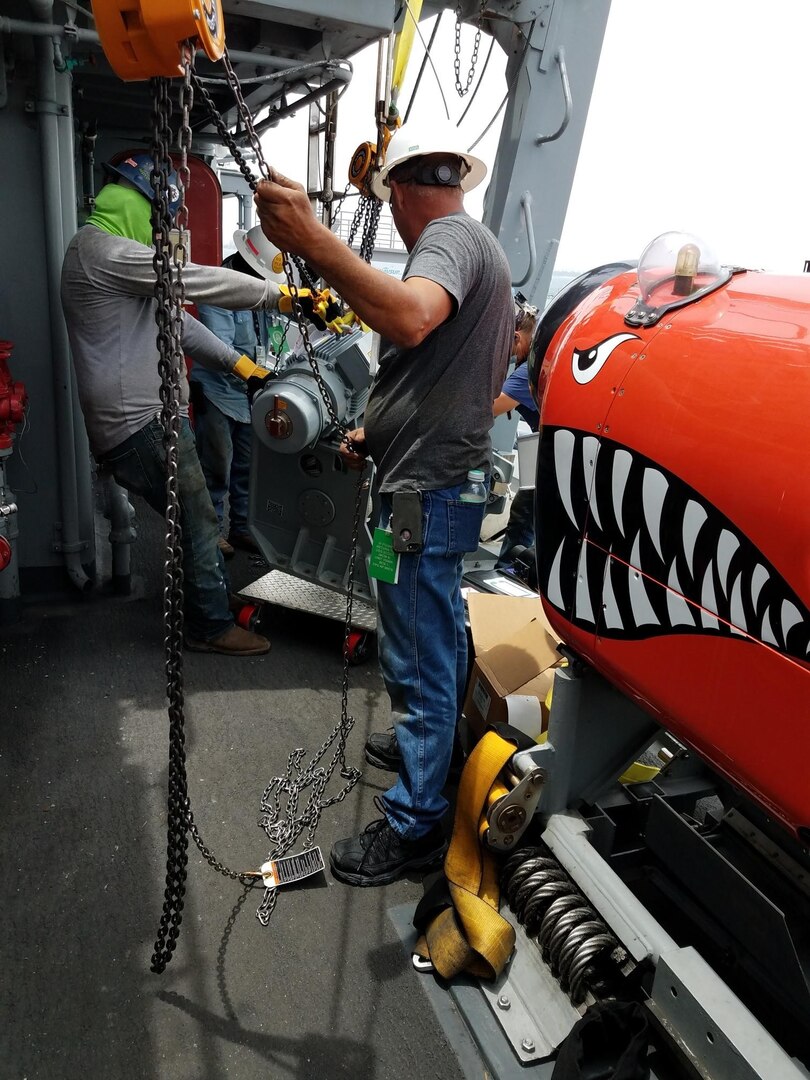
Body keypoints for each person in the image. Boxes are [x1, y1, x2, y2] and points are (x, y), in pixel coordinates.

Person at [254, 121, 515, 886]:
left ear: (399, 192)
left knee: (420, 649)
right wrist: (376, 429)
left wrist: (312, 238)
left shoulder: (448, 241)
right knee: (424, 632)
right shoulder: (475, 246)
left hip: (422, 499)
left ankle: (416, 822)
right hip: (416, 486)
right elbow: (438, 365)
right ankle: (427, 751)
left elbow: (407, 317)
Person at [61, 151, 330, 656]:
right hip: (138, 425)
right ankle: (209, 624)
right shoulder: (101, 252)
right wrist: (281, 297)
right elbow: (191, 280)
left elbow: (179, 324)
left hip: (150, 420)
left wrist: (241, 366)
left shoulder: (111, 254)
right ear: (138, 204)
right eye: (160, 218)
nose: (163, 231)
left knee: (194, 514)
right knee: (198, 516)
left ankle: (202, 590)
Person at [190, 226, 288, 559]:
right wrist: (256, 374)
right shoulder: (219, 289)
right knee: (216, 465)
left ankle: (242, 527)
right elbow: (221, 349)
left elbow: (276, 336)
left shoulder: (263, 292)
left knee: (247, 465)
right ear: (246, 264)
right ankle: (211, 531)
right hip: (219, 393)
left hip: (251, 397)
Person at [493, 301, 539, 569]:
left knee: (524, 515)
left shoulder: (526, 372)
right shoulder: (534, 365)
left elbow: (491, 408)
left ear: (517, 337)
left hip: (549, 454)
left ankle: (509, 573)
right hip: (548, 448)